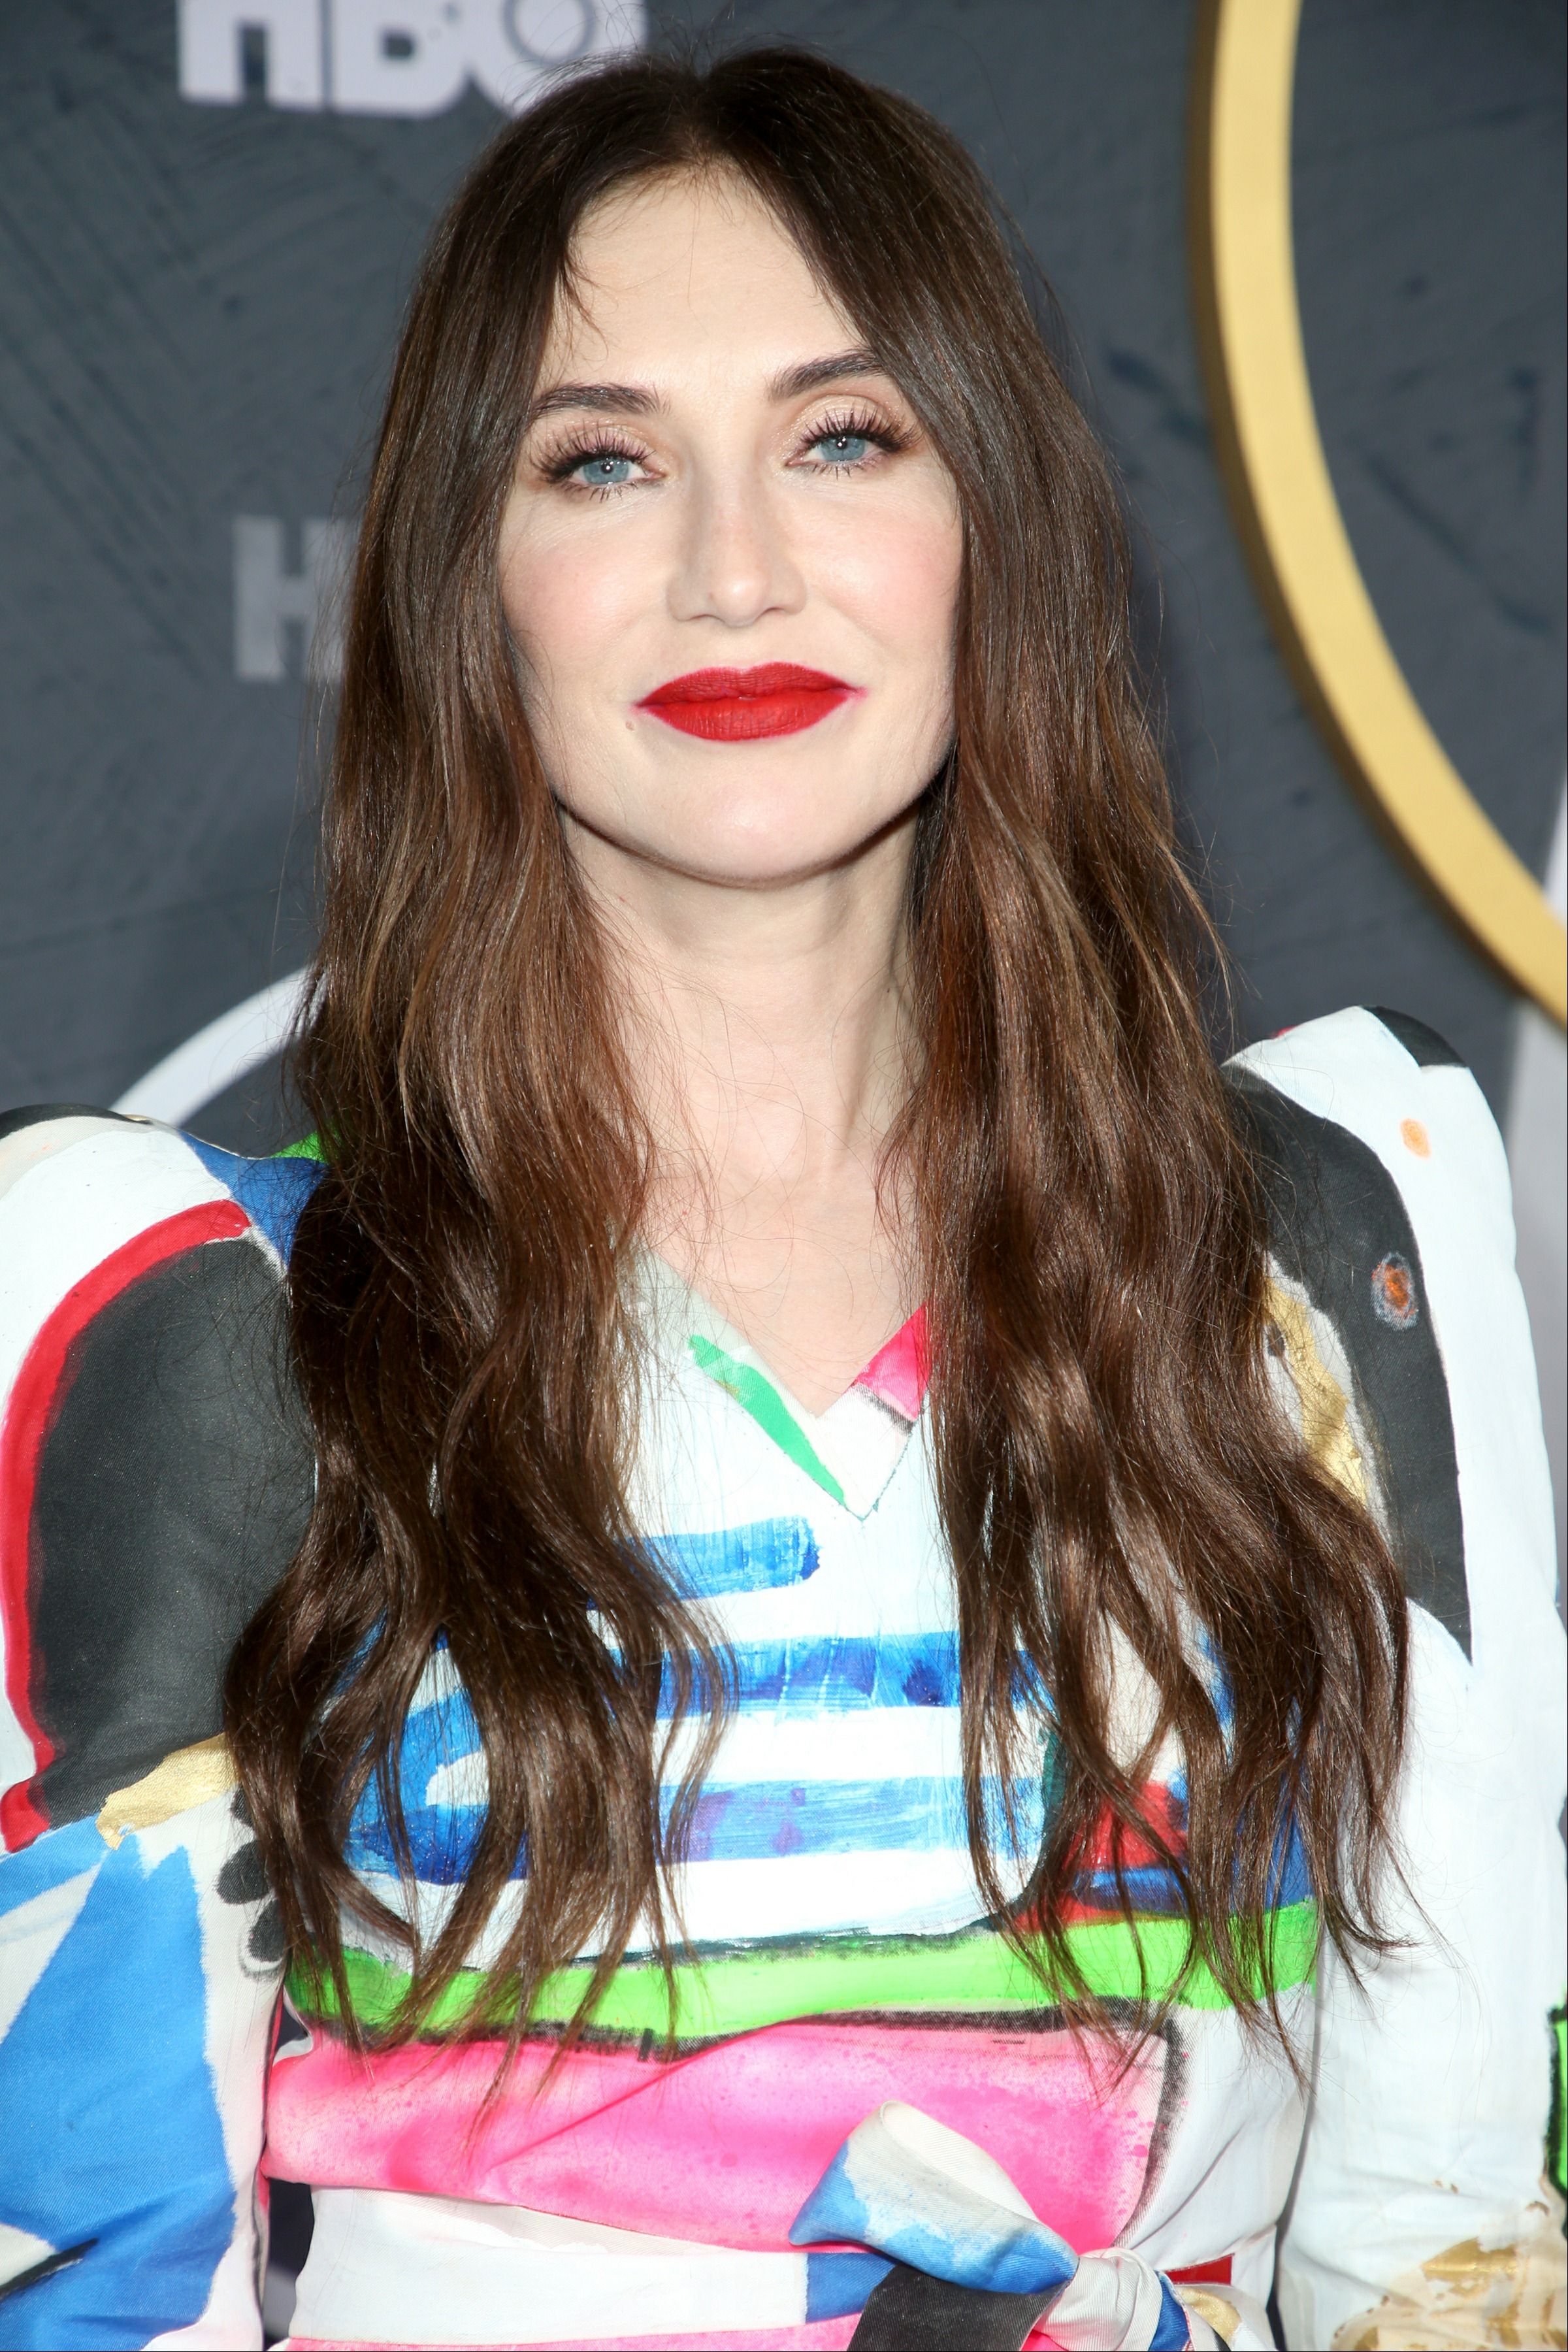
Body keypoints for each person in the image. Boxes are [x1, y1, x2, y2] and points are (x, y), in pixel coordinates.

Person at [0, 46, 1562, 2352]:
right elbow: (103, 2273)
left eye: (845, 436)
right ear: (475, 584)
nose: (735, 568)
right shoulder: (207, 1322)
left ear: (989, 529)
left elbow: (1457, 2245)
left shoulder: (1317, 1261)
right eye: (606, 460)